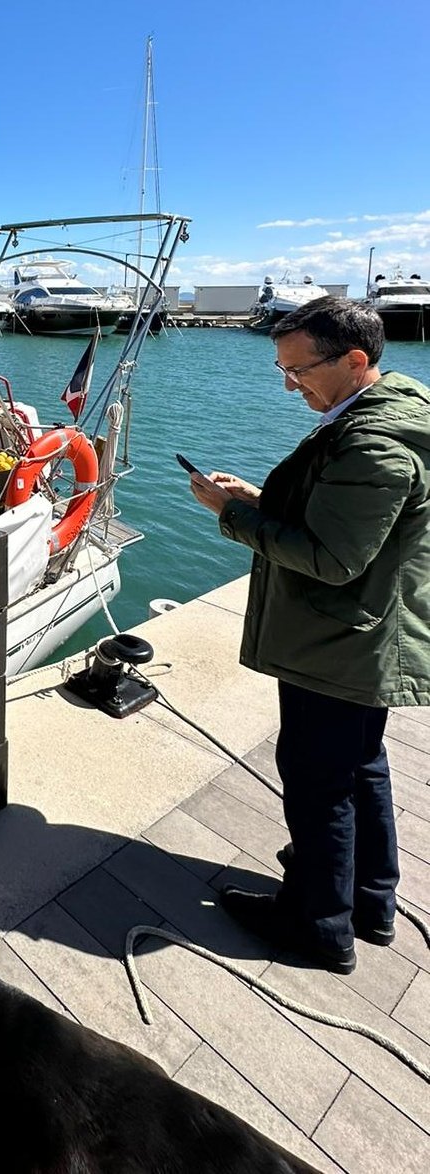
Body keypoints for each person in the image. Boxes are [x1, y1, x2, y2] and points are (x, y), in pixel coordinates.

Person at [189, 296, 430, 975]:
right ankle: (369, 901)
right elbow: (355, 531)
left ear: (355, 360)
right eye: (282, 369)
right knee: (359, 768)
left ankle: (317, 925)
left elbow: (332, 559)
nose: (289, 383)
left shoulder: (372, 442)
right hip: (367, 635)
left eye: (298, 370)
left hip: (339, 644)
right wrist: (262, 504)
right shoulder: (386, 417)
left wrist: (230, 519)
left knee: (318, 779)